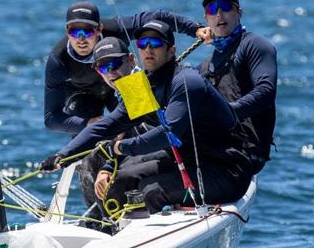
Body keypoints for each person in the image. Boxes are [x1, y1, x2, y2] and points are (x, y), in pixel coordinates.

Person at [42, 20, 251, 213]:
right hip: (188, 160)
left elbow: (169, 134)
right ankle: (108, 236)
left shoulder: (187, 81)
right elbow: (108, 124)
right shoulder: (142, 86)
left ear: (171, 50)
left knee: (149, 191)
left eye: (155, 43)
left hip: (226, 170)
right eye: (142, 43)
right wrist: (64, 155)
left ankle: (142, 244)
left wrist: (119, 147)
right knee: (120, 181)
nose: (148, 49)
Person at [44, 1, 211, 136]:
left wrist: (195, 29)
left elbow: (158, 17)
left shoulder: (114, 30)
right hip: (84, 98)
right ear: (67, 31)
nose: (81, 39)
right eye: (74, 32)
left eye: (87, 32)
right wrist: (87, 123)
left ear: (100, 28)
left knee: (148, 120)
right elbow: (51, 118)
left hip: (123, 81)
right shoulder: (58, 60)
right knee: (85, 116)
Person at [199, 0, 277, 174]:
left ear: (238, 12)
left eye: (225, 6)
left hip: (245, 151)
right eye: (212, 10)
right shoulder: (207, 64)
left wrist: (222, 114)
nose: (219, 14)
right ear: (206, 20)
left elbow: (266, 91)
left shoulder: (254, 45)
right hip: (216, 144)